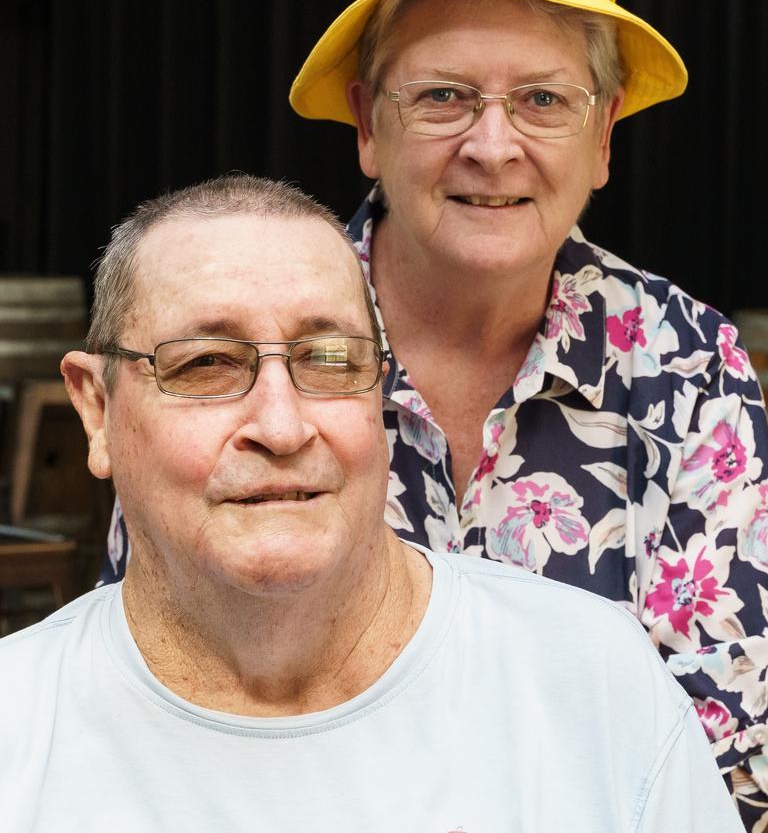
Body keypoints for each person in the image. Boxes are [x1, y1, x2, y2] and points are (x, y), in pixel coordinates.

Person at [102, 0, 768, 825]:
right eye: (444, 96)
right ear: (370, 123)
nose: (493, 146)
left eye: (543, 100)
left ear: (605, 134)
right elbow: (150, 690)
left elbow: (726, 766)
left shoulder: (690, 366)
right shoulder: (235, 345)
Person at [0, 174, 743, 831]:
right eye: (205, 364)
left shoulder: (589, 686)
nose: (283, 426)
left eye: (327, 360)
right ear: (97, 409)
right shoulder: (19, 723)